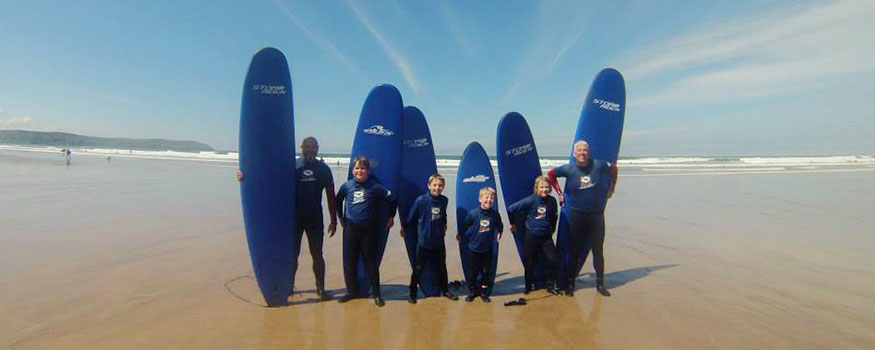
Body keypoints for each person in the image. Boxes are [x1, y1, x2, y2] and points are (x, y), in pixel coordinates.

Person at [236, 136, 337, 300]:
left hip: (315, 219)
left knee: (317, 254)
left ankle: (321, 289)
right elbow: (268, 178)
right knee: (293, 255)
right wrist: (244, 177)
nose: (311, 150)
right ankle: (288, 287)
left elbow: (331, 196)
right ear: (301, 147)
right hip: (293, 220)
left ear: (318, 149)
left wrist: (334, 219)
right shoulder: (291, 166)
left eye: (314, 147)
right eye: (308, 146)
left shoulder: (323, 169)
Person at [547, 140, 617, 297]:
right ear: (574, 153)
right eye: (579, 150)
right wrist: (559, 193)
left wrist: (612, 188)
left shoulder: (598, 165)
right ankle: (571, 283)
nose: (582, 153)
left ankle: (600, 284)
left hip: (596, 215)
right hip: (577, 215)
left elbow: (613, 168)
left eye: (584, 150)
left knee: (597, 250)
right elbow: (551, 174)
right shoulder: (569, 169)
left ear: (588, 152)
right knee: (575, 250)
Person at [335, 156, 396, 307]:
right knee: (350, 263)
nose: (359, 171)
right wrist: (340, 217)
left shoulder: (374, 187)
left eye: (362, 168)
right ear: (352, 170)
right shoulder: (347, 186)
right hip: (351, 229)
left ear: (367, 171)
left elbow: (392, 198)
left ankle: (377, 295)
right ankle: (352, 292)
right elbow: (337, 200)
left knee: (371, 263)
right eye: (357, 168)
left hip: (369, 231)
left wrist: (391, 216)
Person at [401, 174, 458, 303]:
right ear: (429, 186)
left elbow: (443, 214)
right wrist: (405, 227)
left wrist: (444, 224)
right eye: (435, 185)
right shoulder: (421, 200)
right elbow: (411, 215)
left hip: (438, 241)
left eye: (440, 185)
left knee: (441, 267)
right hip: (424, 241)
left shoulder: (444, 200)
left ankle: (445, 290)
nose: (437, 188)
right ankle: (413, 293)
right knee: (418, 268)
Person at [507, 175, 560, 295]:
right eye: (541, 187)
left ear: (550, 188)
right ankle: (528, 285)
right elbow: (511, 209)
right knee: (529, 262)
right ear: (536, 188)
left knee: (553, 259)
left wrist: (552, 229)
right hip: (532, 235)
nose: (544, 189)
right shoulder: (531, 200)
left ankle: (550, 285)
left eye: (546, 187)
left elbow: (555, 216)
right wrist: (512, 224)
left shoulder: (552, 201)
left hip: (546, 237)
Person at [459, 187, 503, 303]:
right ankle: (472, 292)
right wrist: (460, 234)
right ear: (480, 199)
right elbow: (465, 225)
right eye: (486, 197)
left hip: (487, 249)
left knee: (485, 272)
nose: (489, 200)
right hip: (474, 248)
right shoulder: (473, 214)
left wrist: (500, 233)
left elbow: (500, 225)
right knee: (473, 272)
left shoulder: (495, 215)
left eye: (492, 198)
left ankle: (483, 293)